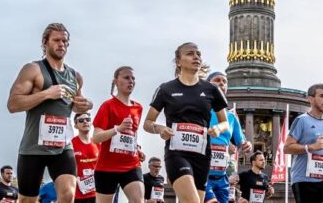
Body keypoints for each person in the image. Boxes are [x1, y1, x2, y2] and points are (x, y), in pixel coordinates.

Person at [7, 23, 94, 203]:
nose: (61, 44)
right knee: (26, 200)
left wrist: (86, 104)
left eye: (64, 41)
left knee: (69, 194)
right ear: (45, 43)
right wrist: (46, 93)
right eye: (56, 40)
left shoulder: (75, 76)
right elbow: (13, 104)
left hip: (62, 146)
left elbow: (75, 105)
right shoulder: (33, 69)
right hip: (33, 147)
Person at [143, 42, 229, 203]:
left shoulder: (212, 90)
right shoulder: (166, 89)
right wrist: (159, 128)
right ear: (178, 61)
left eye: (198, 54)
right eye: (190, 53)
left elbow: (225, 123)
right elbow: (147, 123)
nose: (196, 57)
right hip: (177, 154)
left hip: (202, 156)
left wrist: (218, 128)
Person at [92, 66, 145, 203]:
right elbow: (96, 137)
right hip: (107, 167)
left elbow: (131, 135)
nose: (131, 81)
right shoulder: (108, 106)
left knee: (138, 201)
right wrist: (117, 129)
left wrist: (137, 149)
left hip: (131, 165)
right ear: (116, 81)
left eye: (133, 78)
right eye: (126, 78)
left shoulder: (138, 108)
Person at [284, 84, 323, 203]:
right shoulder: (302, 120)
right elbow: (287, 148)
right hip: (303, 179)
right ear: (310, 99)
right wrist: (311, 147)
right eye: (321, 96)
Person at [205, 71, 253, 203]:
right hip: (203, 174)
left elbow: (241, 141)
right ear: (207, 85)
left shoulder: (231, 117)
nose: (221, 83)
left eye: (224, 81)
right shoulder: (201, 110)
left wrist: (247, 145)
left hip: (222, 176)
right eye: (217, 80)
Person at [72, 112, 99, 203]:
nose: (85, 122)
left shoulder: (97, 142)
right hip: (77, 193)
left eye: (88, 120)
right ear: (75, 125)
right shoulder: (71, 143)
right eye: (81, 120)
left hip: (96, 191)